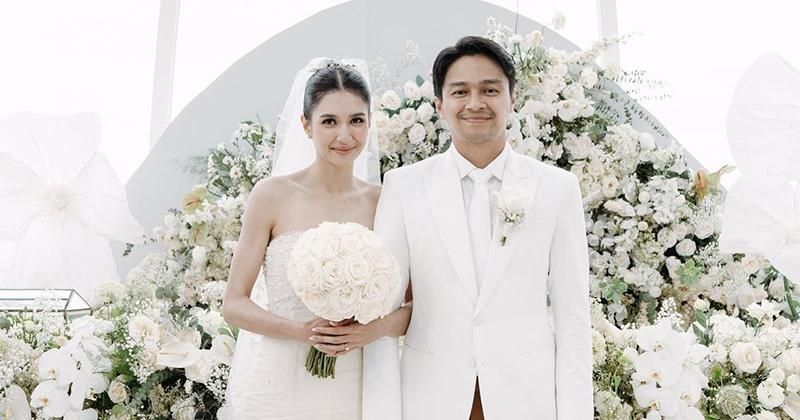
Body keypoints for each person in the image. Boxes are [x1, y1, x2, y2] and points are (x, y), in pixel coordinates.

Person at [374, 36, 593, 419]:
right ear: (439, 104)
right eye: (460, 91)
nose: (475, 103)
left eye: (489, 90)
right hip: (429, 400)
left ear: (512, 99)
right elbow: (382, 312)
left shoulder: (557, 188)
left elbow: (573, 317)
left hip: (526, 402)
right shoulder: (403, 187)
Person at [221, 59, 408, 420]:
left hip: (357, 383)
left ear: (370, 122)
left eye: (356, 120)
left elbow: (415, 306)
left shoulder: (385, 202)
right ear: (306, 124)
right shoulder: (271, 196)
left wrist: (370, 331)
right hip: (278, 381)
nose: (345, 135)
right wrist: (301, 331)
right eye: (329, 121)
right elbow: (234, 304)